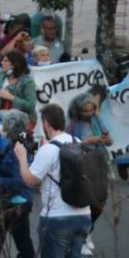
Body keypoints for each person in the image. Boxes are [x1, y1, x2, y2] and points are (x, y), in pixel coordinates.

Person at [15, 103, 93, 258]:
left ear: (46, 124)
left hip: (57, 218)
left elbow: (30, 180)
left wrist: (22, 158)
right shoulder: (77, 142)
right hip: (84, 215)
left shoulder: (48, 150)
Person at [0, 109, 36, 258]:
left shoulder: (18, 149)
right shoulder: (16, 144)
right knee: (23, 245)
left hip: (14, 203)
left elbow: (18, 181)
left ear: (10, 128)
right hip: (17, 202)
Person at [67, 91, 112, 255]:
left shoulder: (96, 119)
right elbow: (69, 144)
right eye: (85, 111)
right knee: (86, 203)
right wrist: (90, 141)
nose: (89, 113)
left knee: (100, 204)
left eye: (91, 110)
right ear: (78, 110)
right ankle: (80, 237)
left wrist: (105, 140)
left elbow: (109, 138)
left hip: (100, 164)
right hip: (83, 167)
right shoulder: (72, 123)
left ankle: (88, 231)